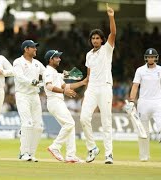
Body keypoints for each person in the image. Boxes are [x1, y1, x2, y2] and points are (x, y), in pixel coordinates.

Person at [79, 3, 116, 164]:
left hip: (105, 87)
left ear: (102, 40)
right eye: (93, 38)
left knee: (106, 121)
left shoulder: (107, 49)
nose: (95, 40)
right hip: (92, 89)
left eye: (97, 38)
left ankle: (109, 154)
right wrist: (85, 91)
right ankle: (92, 147)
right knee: (83, 118)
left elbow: (113, 33)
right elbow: (88, 76)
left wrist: (111, 16)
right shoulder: (88, 55)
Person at [43, 50, 87, 163]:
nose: (59, 59)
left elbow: (66, 86)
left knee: (70, 126)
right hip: (54, 101)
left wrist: (82, 82)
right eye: (57, 57)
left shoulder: (55, 73)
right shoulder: (48, 71)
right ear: (50, 59)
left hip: (58, 101)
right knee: (70, 124)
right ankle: (55, 146)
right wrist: (64, 91)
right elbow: (48, 86)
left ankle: (70, 155)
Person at [125, 48, 161, 162]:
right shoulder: (140, 70)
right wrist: (131, 101)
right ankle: (144, 156)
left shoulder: (160, 69)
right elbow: (135, 86)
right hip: (143, 103)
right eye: (149, 57)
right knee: (143, 132)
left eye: (153, 57)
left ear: (156, 58)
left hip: (157, 101)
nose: (151, 58)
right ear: (146, 58)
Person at [13, 40, 45, 162]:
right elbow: (19, 77)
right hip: (22, 95)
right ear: (26, 49)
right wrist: (31, 81)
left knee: (38, 126)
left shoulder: (37, 63)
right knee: (27, 124)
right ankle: (23, 153)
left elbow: (47, 73)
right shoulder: (18, 62)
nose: (35, 49)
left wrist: (63, 75)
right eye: (33, 47)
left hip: (34, 96)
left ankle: (31, 153)